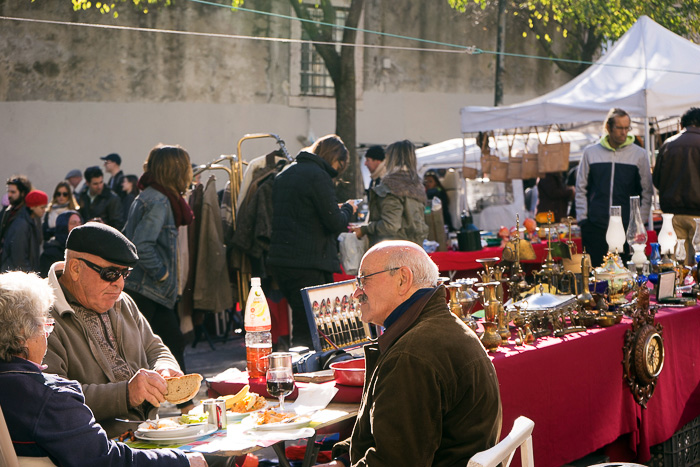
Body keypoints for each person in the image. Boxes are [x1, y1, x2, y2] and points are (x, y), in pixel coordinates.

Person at [319, 241, 502, 466]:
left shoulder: (412, 354)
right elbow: (392, 439)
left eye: (363, 279)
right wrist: (345, 461)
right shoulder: (434, 326)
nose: (357, 292)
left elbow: (395, 461)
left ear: (403, 280)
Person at [0, 270, 206, 467]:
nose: (47, 333)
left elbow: (155, 347)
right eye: (45, 324)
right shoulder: (51, 397)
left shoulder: (24, 387)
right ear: (22, 336)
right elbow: (107, 460)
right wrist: (183, 462)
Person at [44, 222, 186, 438]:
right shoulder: (41, 315)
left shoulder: (122, 301)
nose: (120, 284)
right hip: (99, 447)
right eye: (110, 273)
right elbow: (53, 398)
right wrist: (126, 394)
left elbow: (154, 347)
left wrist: (165, 368)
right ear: (74, 268)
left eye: (125, 274)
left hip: (147, 434)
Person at [268, 134, 358, 349]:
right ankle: (302, 376)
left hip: (282, 261)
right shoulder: (318, 176)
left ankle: (300, 371)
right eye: (339, 164)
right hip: (308, 262)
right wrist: (348, 208)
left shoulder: (285, 173)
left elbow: (299, 214)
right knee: (308, 329)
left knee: (301, 322)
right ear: (334, 158)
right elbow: (335, 223)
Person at [123, 144, 194, 373]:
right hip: (149, 288)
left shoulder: (152, 196)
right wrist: (163, 274)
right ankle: (184, 401)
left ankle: (185, 401)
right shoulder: (159, 201)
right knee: (160, 348)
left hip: (150, 289)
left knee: (168, 345)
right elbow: (141, 246)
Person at [575, 108, 653, 267]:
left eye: (627, 128)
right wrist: (583, 219)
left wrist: (640, 221)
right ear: (608, 128)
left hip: (627, 227)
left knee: (626, 275)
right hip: (596, 226)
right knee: (596, 275)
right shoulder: (591, 153)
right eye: (620, 128)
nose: (624, 132)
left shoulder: (639, 154)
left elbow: (647, 190)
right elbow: (580, 187)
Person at [353, 140, 429, 247]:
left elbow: (390, 226)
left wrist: (365, 229)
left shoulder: (392, 187)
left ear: (391, 159)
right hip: (413, 249)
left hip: (391, 252)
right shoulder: (417, 186)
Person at [653, 107, 700, 263]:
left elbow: (657, 180)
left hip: (672, 215)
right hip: (698, 214)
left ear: (681, 124)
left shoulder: (668, 144)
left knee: (677, 266)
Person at [0, 189, 47, 273]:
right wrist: (30, 276)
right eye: (42, 207)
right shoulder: (22, 224)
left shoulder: (32, 221)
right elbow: (19, 258)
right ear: (32, 207)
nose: (44, 210)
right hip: (16, 277)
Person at [79, 165, 125, 230]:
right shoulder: (82, 195)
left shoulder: (112, 198)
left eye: (101, 182)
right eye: (95, 184)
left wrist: (103, 226)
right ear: (87, 183)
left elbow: (118, 225)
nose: (99, 187)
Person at [39, 210, 82, 277]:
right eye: (73, 223)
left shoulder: (82, 248)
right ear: (63, 227)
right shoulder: (50, 254)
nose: (78, 226)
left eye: (79, 223)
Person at [0, 175, 33, 261]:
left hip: (22, 268)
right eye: (9, 191)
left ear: (23, 193)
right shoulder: (7, 211)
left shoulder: (29, 214)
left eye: (13, 192)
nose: (9, 195)